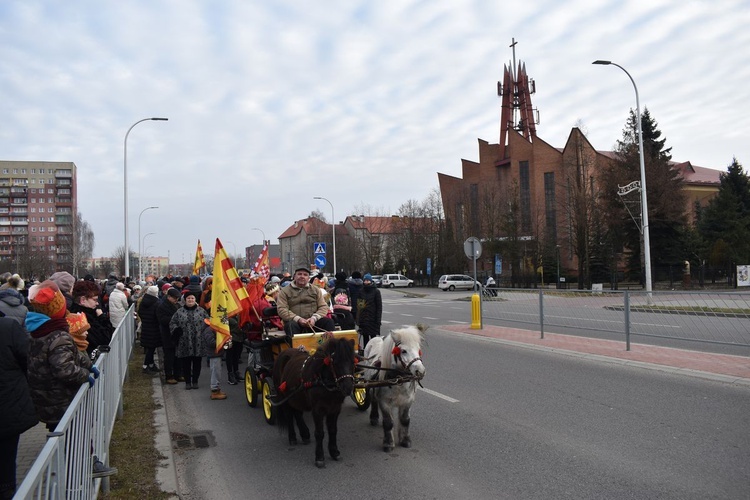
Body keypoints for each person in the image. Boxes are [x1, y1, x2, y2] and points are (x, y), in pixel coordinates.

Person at [25, 281, 98, 430]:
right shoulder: (58, 336)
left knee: (56, 437)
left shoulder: (36, 332)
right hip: (61, 401)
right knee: (71, 439)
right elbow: (65, 369)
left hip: (46, 400)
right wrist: (85, 374)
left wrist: (88, 364)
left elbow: (74, 354)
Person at [0, 316, 38, 499]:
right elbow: (28, 358)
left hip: (8, 403)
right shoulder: (7, 326)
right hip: (7, 404)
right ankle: (7, 489)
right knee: (6, 458)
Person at [276, 267, 335, 336]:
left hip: (313, 322)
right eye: (299, 274)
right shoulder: (284, 291)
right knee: (290, 326)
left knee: (328, 322)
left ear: (308, 278)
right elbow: (282, 309)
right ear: (294, 276)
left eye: (305, 275)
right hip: (294, 322)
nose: (302, 276)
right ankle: (297, 346)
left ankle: (330, 345)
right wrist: (298, 319)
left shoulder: (315, 290)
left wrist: (314, 318)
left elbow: (323, 306)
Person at [169, 290, 208, 390]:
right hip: (184, 341)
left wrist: (204, 332)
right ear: (185, 300)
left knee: (197, 362)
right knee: (186, 363)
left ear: (195, 300)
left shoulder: (201, 311)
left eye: (192, 298)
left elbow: (208, 322)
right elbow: (172, 323)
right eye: (188, 298)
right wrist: (176, 330)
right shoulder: (179, 311)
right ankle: (187, 382)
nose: (190, 300)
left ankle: (195, 381)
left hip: (198, 341)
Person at [69, 280, 113, 359]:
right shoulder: (81, 319)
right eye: (95, 300)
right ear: (83, 300)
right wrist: (102, 317)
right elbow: (104, 339)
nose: (97, 303)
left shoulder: (88, 314)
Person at [157, 287, 182, 384]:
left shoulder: (178, 306)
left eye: (177, 298)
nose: (176, 300)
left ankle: (178, 374)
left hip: (177, 334)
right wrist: (175, 319)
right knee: (169, 357)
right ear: (169, 297)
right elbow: (162, 320)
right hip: (167, 334)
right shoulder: (162, 306)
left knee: (178, 356)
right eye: (174, 298)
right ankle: (169, 375)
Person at [137, 286, 162, 374]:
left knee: (150, 347)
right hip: (154, 327)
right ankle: (145, 366)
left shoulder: (144, 300)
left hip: (146, 326)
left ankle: (151, 364)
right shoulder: (157, 302)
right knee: (151, 348)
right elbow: (158, 315)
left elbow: (139, 312)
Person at [201, 320, 228, 400]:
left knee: (217, 371)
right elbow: (211, 342)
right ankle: (214, 391)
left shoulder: (210, 329)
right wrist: (222, 342)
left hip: (216, 353)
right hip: (214, 354)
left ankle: (217, 389)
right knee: (215, 372)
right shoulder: (209, 330)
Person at [357, 273, 382, 348]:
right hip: (364, 319)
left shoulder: (376, 291)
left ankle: (375, 353)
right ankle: (366, 353)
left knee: (374, 339)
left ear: (371, 281)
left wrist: (378, 320)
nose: (366, 282)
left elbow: (379, 307)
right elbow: (359, 307)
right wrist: (359, 320)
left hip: (373, 319)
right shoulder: (361, 291)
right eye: (365, 280)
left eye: (368, 280)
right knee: (365, 339)